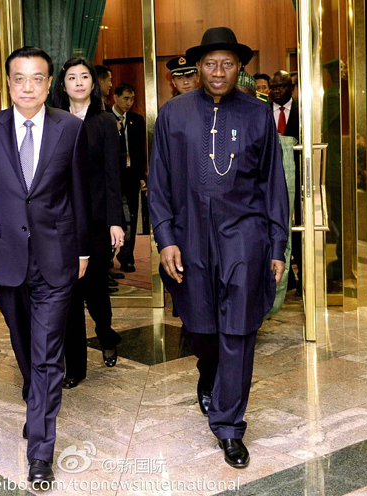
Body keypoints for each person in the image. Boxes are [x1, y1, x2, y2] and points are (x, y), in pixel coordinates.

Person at [0, 47, 90, 486]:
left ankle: (40, 452)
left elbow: (80, 193)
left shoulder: (69, 128)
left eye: (37, 78)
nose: (28, 87)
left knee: (47, 353)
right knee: (24, 344)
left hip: (56, 256)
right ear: (8, 83)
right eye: (20, 78)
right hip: (6, 256)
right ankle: (36, 398)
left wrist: (84, 249)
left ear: (49, 84)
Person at [148, 27, 289, 469]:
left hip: (244, 236)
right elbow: (159, 181)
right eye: (210, 63)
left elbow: (273, 184)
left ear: (239, 68)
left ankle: (229, 426)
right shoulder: (173, 114)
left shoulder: (257, 113)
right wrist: (166, 238)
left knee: (239, 331)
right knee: (202, 329)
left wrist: (277, 244)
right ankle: (208, 372)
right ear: (198, 68)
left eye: (227, 63)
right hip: (190, 235)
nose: (218, 71)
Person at [51, 57, 124, 387]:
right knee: (69, 294)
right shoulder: (51, 120)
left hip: (94, 220)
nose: (78, 82)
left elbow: (112, 176)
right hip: (60, 220)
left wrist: (115, 221)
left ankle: (106, 334)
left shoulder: (105, 122)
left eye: (84, 77)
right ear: (62, 84)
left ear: (93, 84)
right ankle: (75, 367)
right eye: (72, 77)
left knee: (94, 291)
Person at [270, 70, 301, 295]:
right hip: (272, 180)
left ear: (291, 88)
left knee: (299, 228)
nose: (277, 90)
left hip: (299, 178)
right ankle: (282, 280)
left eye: (282, 86)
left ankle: (303, 281)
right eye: (273, 87)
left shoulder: (303, 111)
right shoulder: (262, 111)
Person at [112, 83, 147, 273]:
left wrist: (142, 176)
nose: (129, 103)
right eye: (126, 98)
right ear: (115, 97)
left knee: (131, 218)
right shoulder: (105, 118)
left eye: (132, 99)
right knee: (112, 217)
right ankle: (107, 259)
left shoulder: (137, 120)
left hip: (131, 175)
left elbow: (140, 151)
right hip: (113, 177)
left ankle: (127, 257)